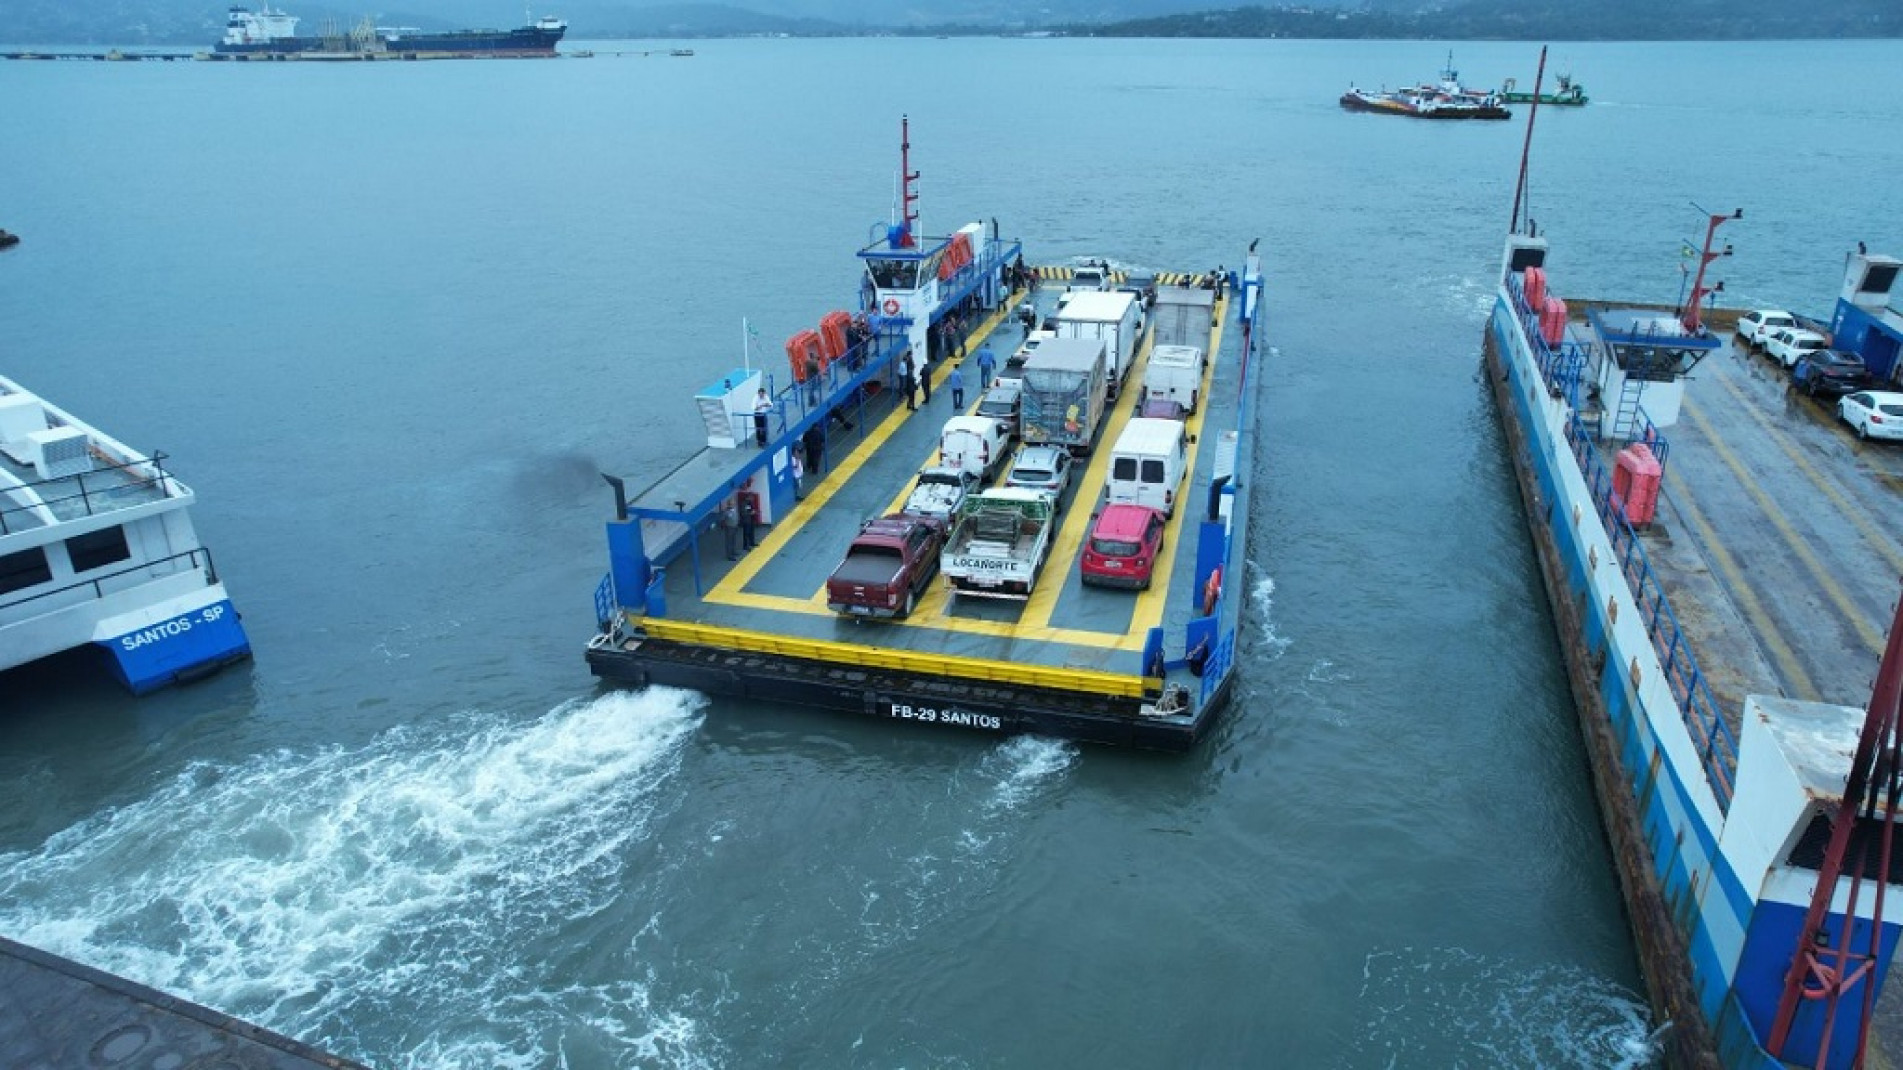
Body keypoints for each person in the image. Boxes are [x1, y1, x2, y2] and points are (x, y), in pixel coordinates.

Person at [719, 496, 740, 560]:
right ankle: (729, 555)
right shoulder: (726, 512)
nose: (733, 504)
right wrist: (724, 525)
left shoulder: (735, 509)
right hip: (729, 527)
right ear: (729, 504)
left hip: (735, 526)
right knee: (729, 542)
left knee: (733, 540)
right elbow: (722, 519)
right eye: (732, 503)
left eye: (733, 503)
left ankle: (733, 551)